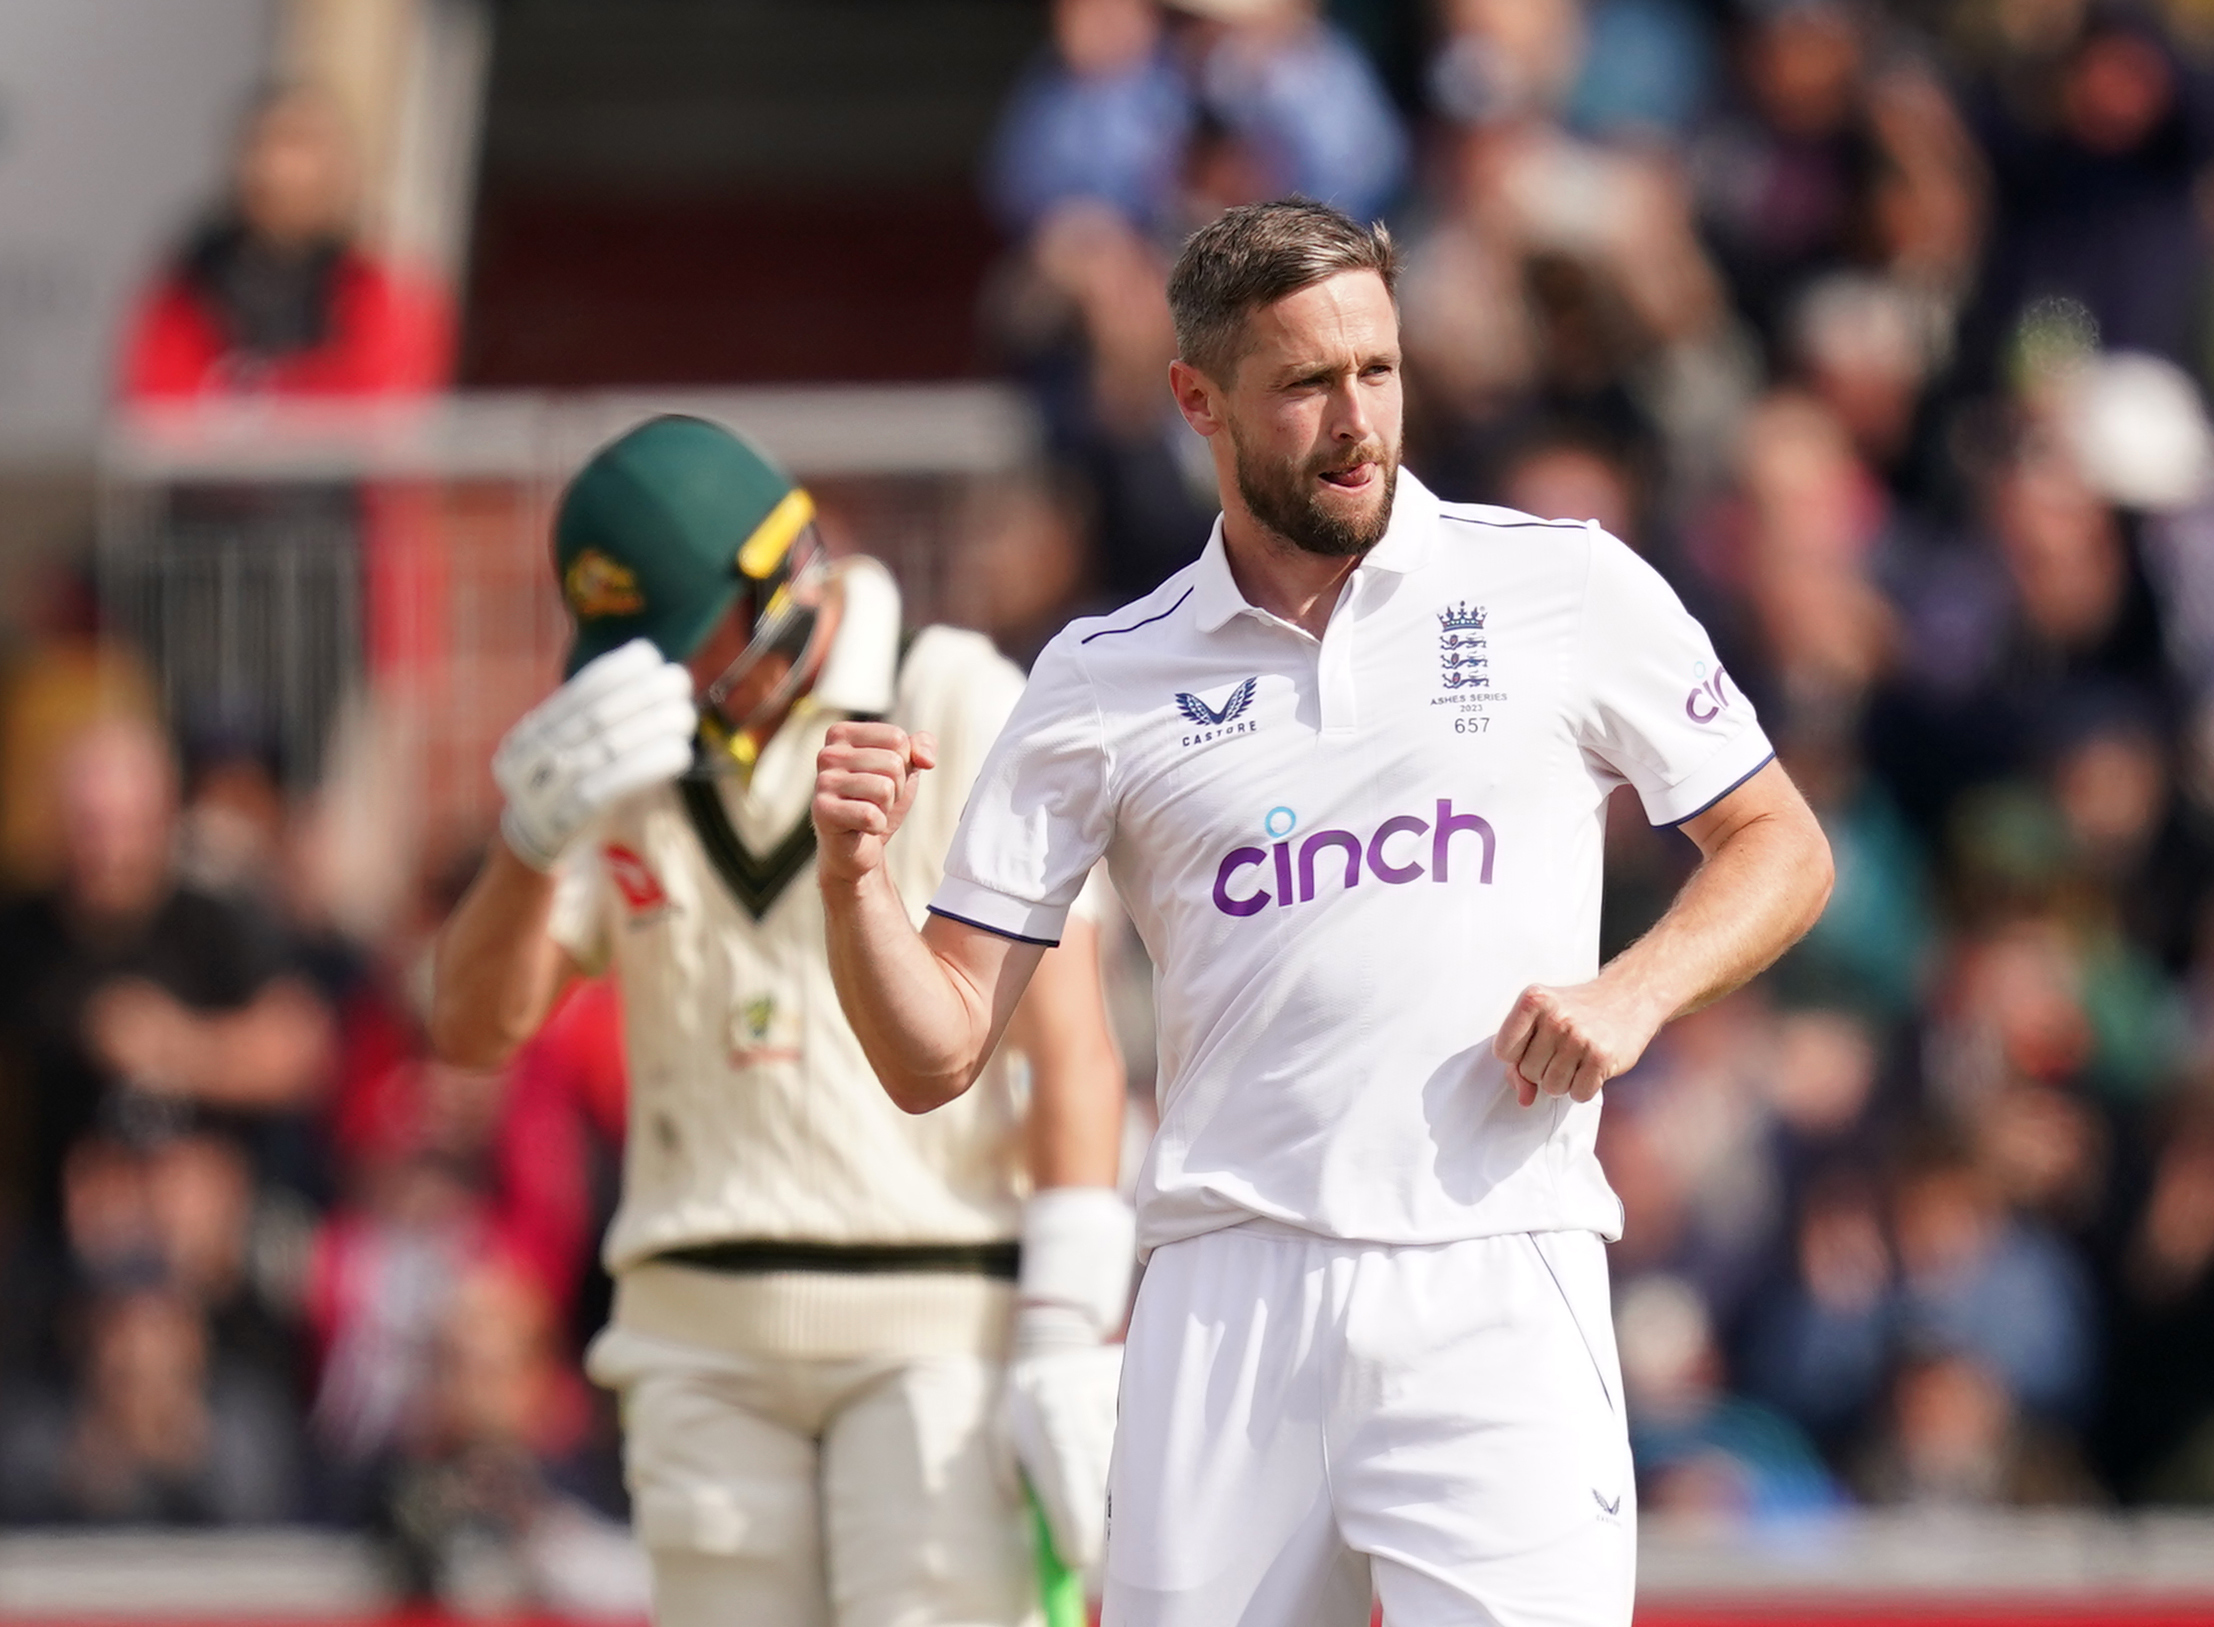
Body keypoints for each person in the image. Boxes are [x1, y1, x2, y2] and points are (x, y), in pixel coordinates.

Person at [812, 200, 1833, 1626]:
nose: (1355, 420)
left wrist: (1631, 991)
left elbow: (1779, 843)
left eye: (1377, 370)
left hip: (1495, 1268)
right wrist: (853, 881)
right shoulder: (1099, 677)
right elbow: (934, 1050)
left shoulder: (1560, 582)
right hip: (1226, 1295)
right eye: (1303, 383)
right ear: (1196, 400)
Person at [430, 416, 1132, 1627]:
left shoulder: (950, 695)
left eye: (680, 639)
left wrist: (1067, 1323)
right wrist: (526, 842)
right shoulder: (621, 748)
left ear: (780, 574)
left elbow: (1069, 1041)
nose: (666, 680)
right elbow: (473, 1026)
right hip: (696, 1333)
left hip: (934, 1325)